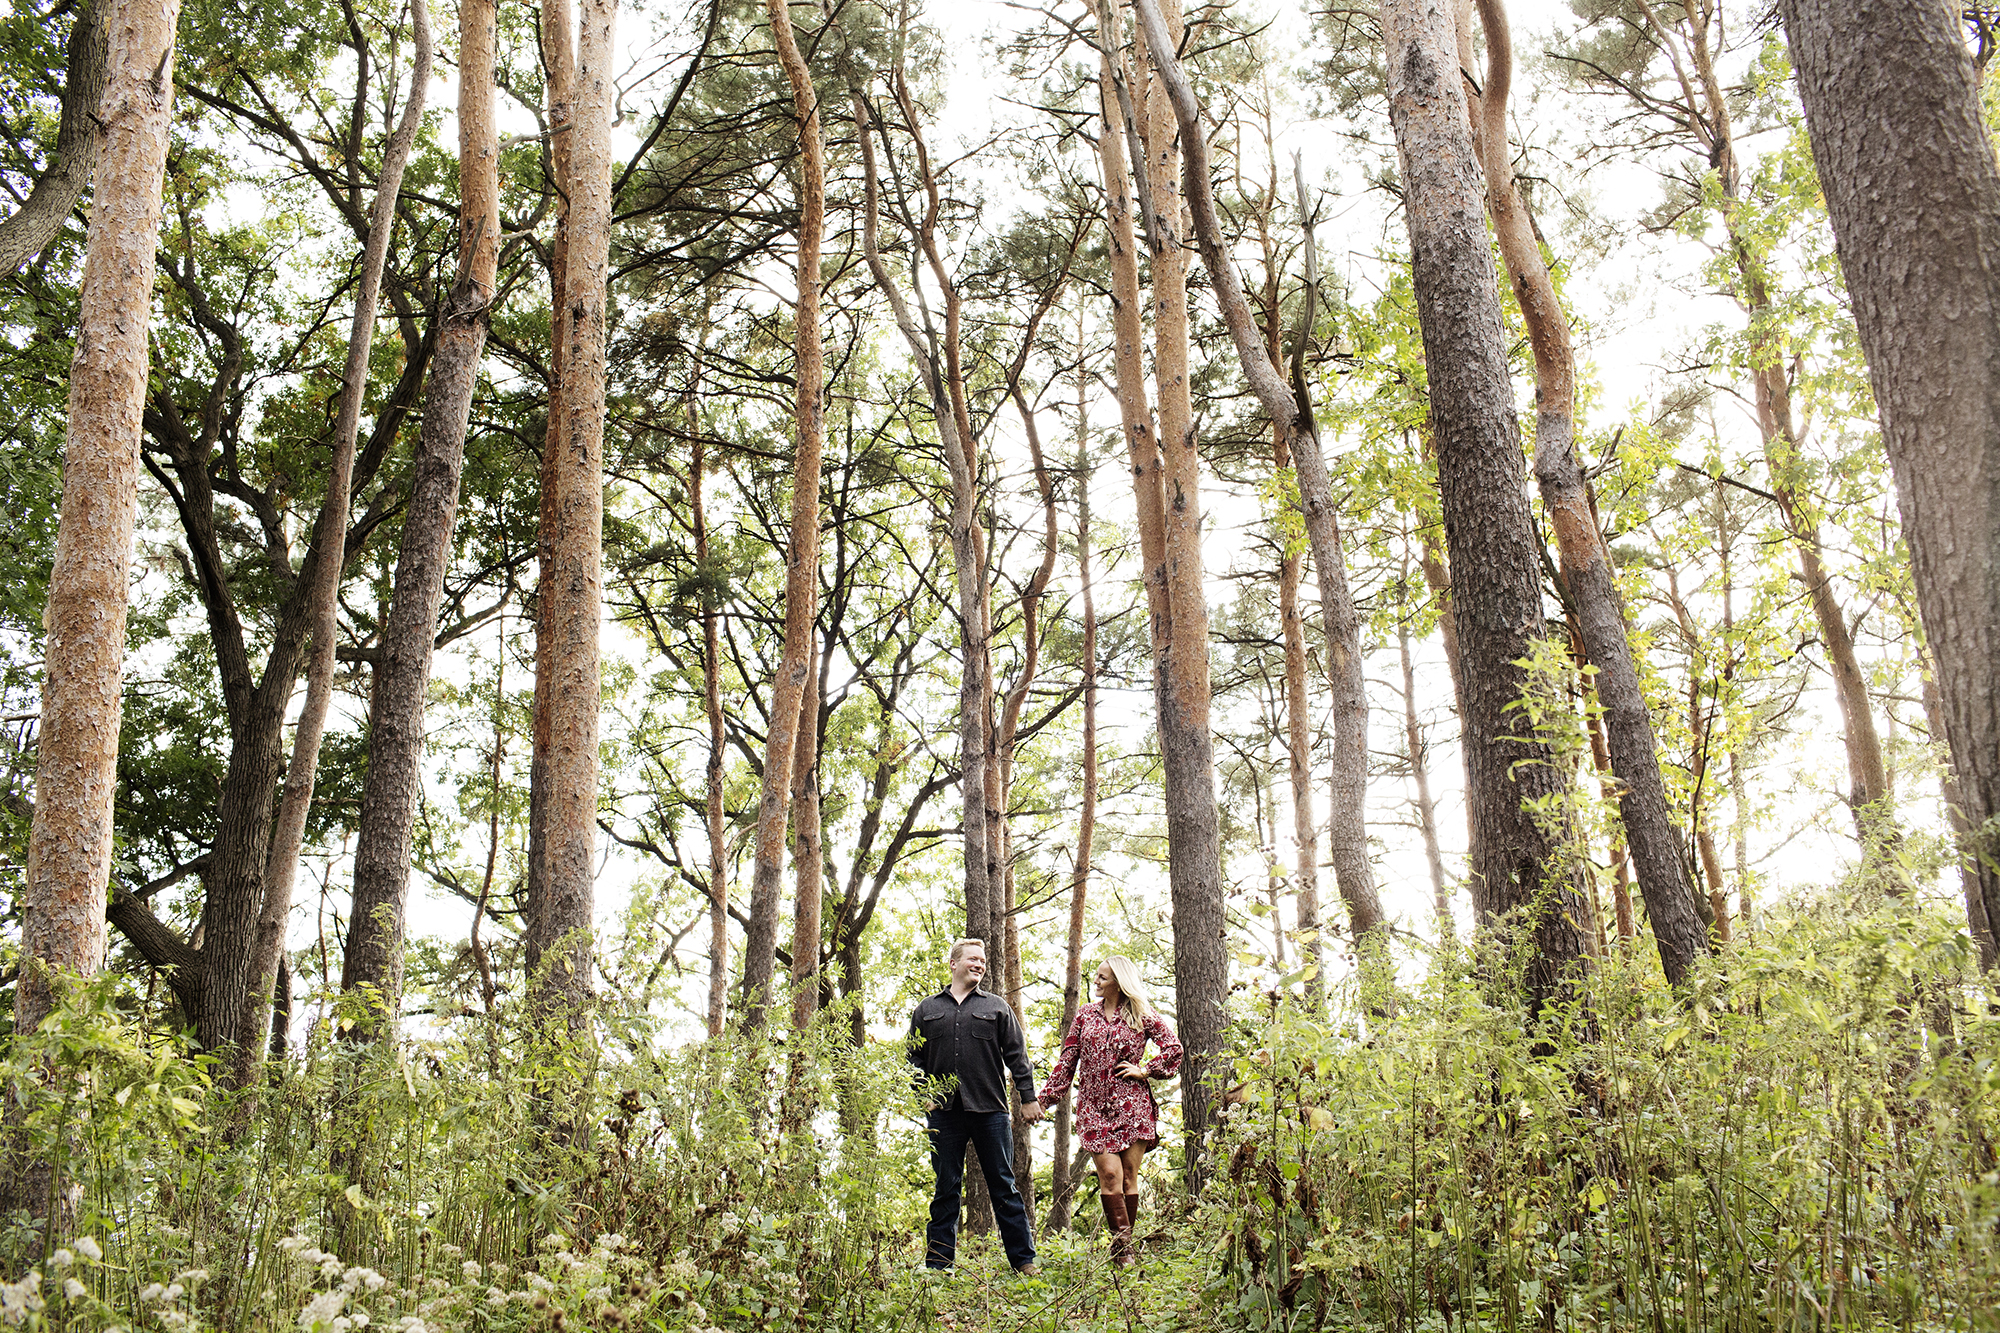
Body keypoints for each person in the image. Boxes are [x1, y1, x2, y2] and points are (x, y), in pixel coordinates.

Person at [906, 938, 1046, 1274]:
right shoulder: (926, 1010)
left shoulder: (997, 1007)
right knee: (946, 1189)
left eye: (983, 960)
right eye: (973, 959)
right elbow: (913, 1059)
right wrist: (921, 1092)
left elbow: (1018, 1057)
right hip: (943, 1113)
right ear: (953, 964)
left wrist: (1028, 1098)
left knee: (1004, 1186)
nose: (980, 964)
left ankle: (1024, 1261)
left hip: (991, 1111)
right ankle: (939, 1265)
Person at [1034, 955, 1182, 1266]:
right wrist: (1044, 1100)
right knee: (1110, 1175)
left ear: (1119, 982)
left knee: (1128, 1176)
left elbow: (1173, 1049)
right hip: (1094, 1108)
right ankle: (1124, 1251)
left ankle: (1123, 1251)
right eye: (1097, 976)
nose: (1096, 982)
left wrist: (1146, 1070)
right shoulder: (1085, 1016)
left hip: (1133, 1106)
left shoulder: (1141, 1013)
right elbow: (1067, 1062)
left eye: (1103, 978)